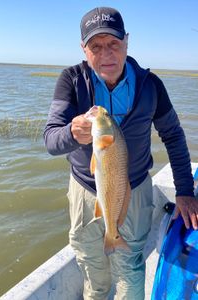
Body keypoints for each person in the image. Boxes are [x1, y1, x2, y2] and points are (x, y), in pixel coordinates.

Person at [43, 6, 198, 300]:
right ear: (83, 48)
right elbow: (51, 139)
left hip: (135, 189)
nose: (106, 54)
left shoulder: (150, 86)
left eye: (114, 43)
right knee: (93, 271)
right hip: (86, 191)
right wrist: (70, 133)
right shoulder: (71, 81)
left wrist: (184, 191)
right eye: (96, 46)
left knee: (130, 268)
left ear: (127, 41)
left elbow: (174, 137)